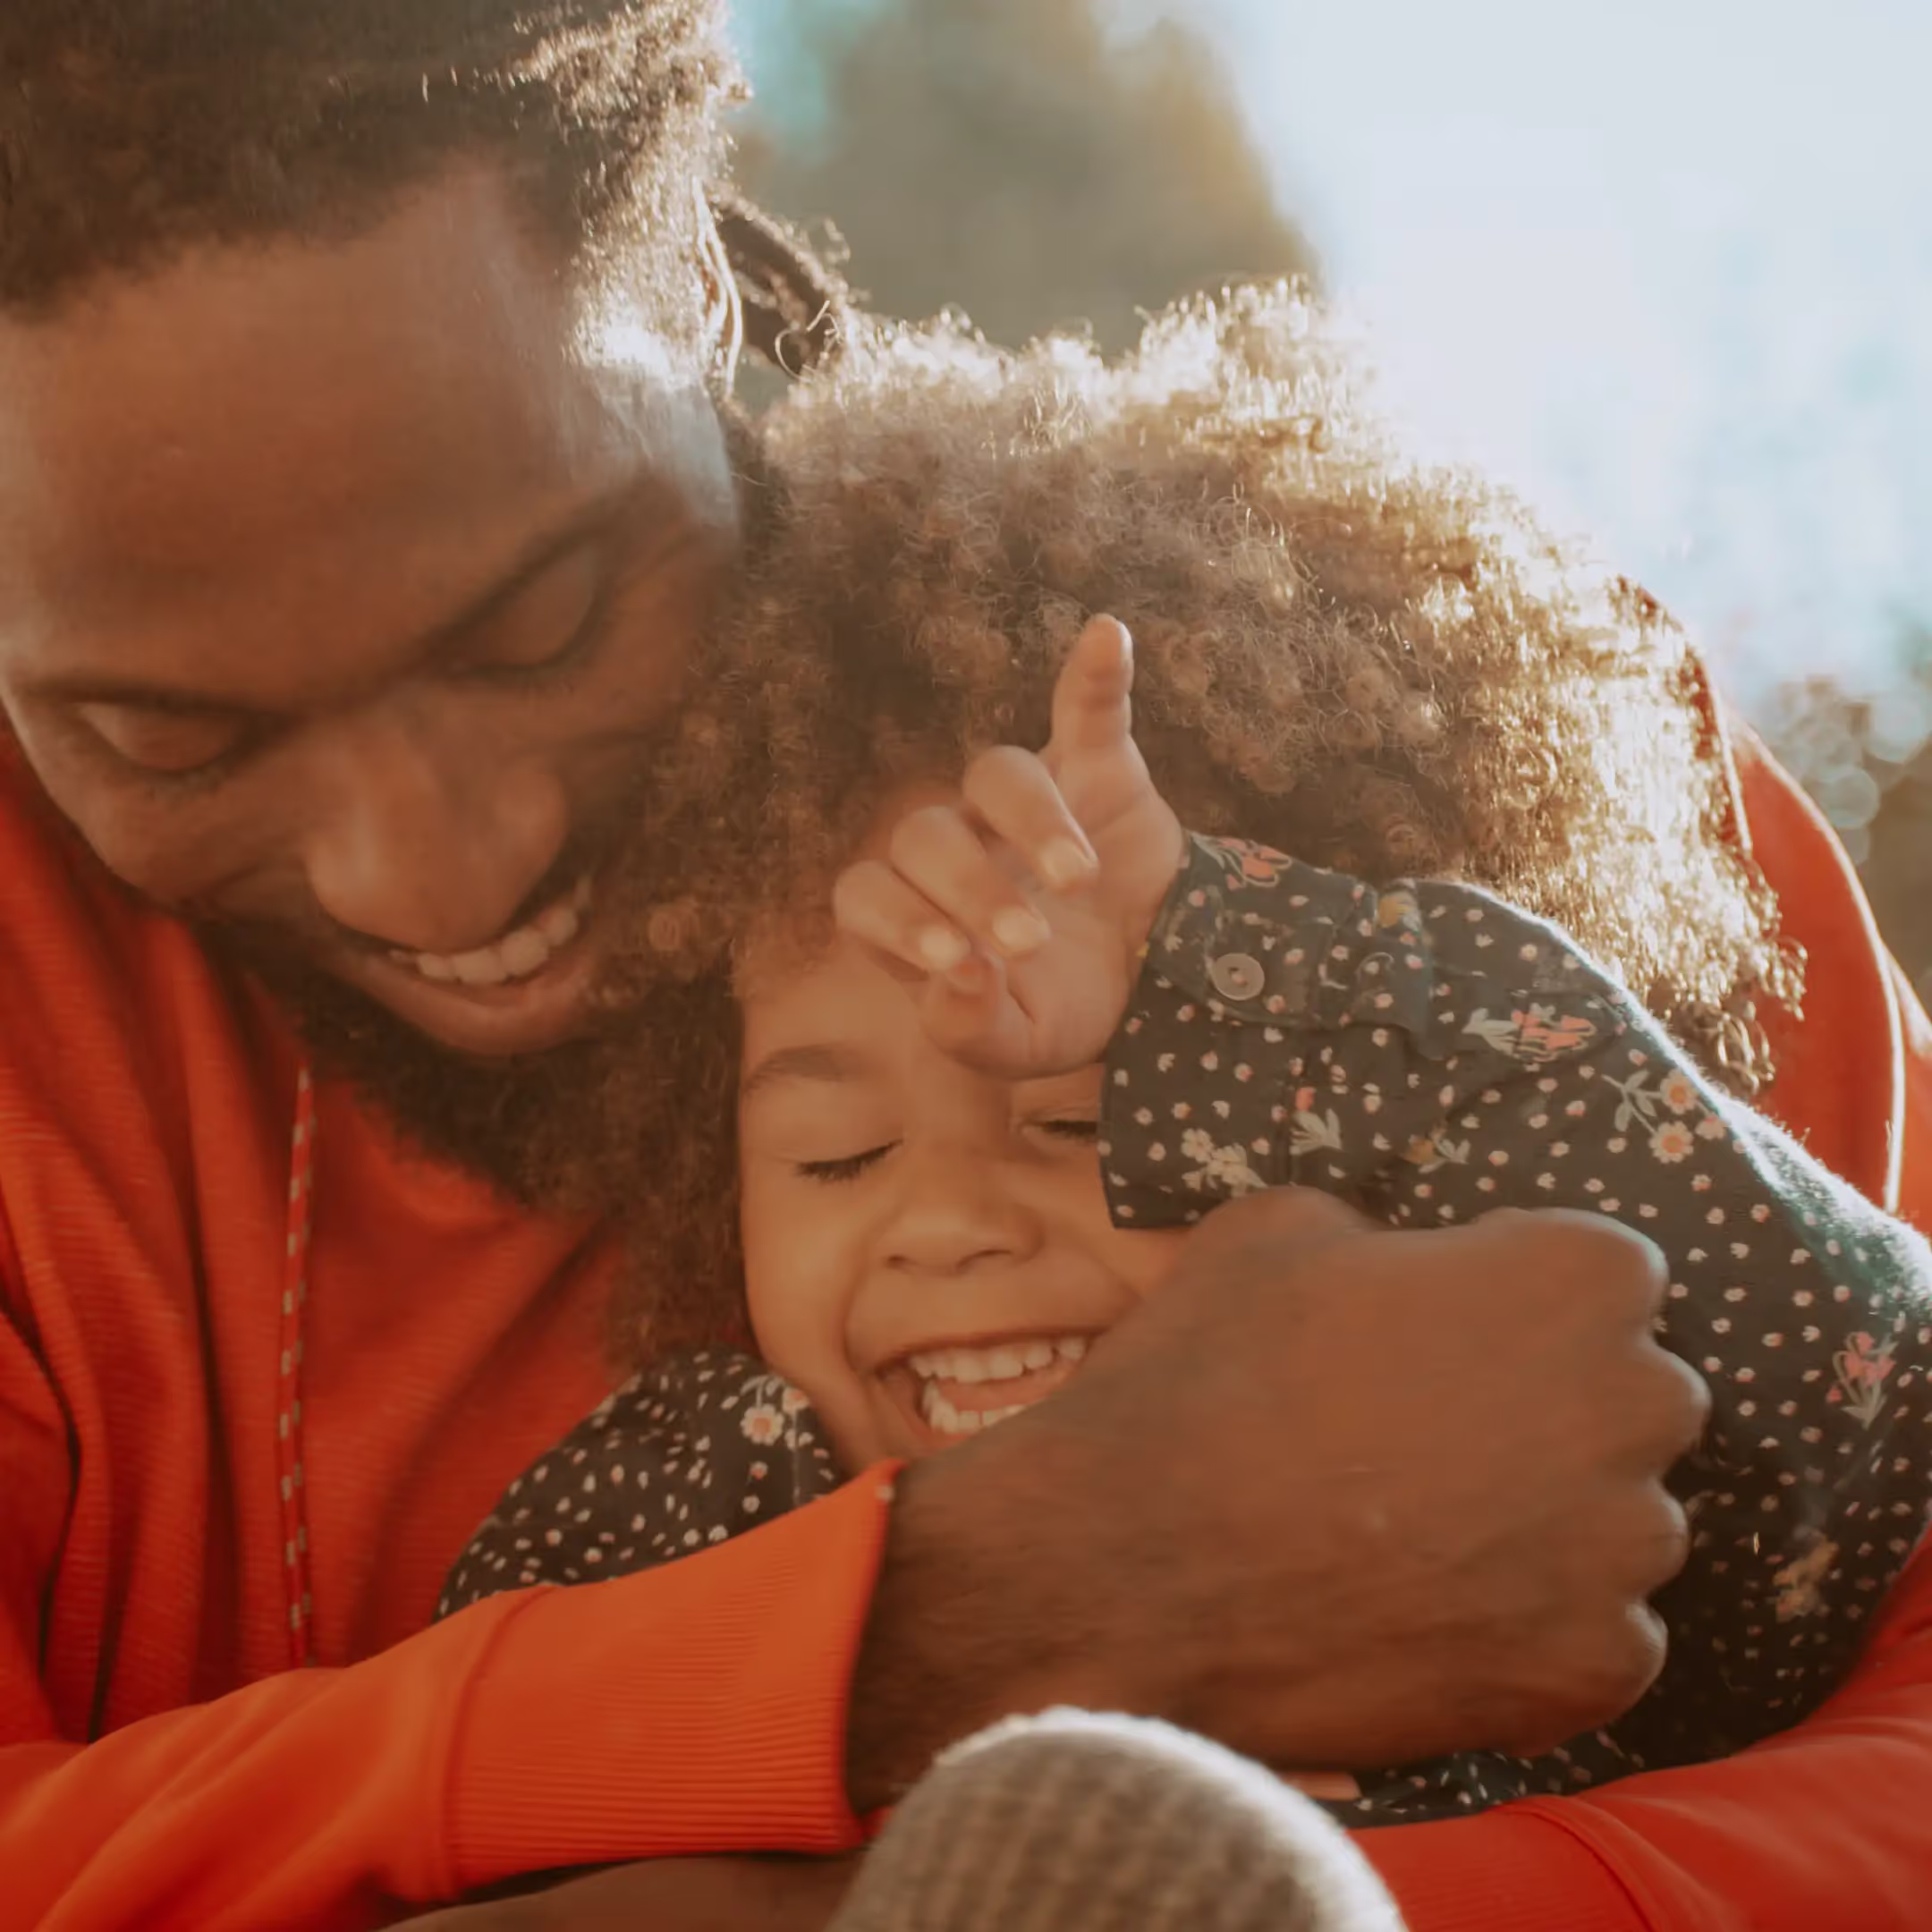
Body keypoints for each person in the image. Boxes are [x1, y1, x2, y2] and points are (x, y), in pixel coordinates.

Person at [0, 4, 1923, 1929]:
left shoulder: (1392, 716)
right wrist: (965, 1619)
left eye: (544, 625)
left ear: (695, 285)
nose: (436, 866)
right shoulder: (659, 1487)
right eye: (172, 739)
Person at [436, 310, 1932, 1828]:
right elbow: (497, 1802)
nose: (949, 1223)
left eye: (1081, 1118)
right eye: (836, 1155)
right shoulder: (705, 1510)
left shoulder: (1548, 1498)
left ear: (1355, 1111)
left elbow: (1869, 1392)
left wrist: (1233, 954)